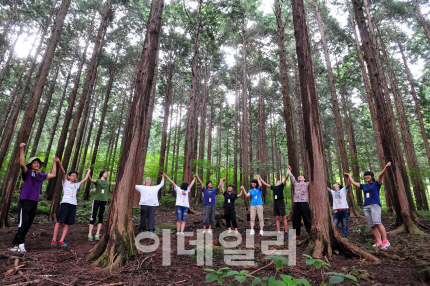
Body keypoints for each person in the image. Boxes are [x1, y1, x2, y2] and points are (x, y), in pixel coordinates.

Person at [9, 143, 58, 253]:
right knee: (23, 223)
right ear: (30, 164)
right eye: (34, 163)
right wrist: (21, 149)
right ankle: (21, 245)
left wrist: (54, 163)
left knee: (28, 224)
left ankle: (14, 245)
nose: (36, 164)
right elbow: (22, 164)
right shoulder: (28, 173)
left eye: (38, 163)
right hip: (24, 201)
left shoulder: (41, 176)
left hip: (34, 201)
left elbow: (53, 175)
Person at [345, 162, 391, 249]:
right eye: (365, 176)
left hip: (375, 205)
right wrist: (348, 175)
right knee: (372, 225)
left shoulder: (376, 184)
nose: (366, 176)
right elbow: (354, 183)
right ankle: (379, 241)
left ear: (372, 176)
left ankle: (385, 241)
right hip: (366, 207)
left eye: (368, 175)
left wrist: (386, 167)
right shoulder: (364, 186)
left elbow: (381, 175)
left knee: (377, 223)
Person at [51, 167, 91, 247]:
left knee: (67, 223)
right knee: (59, 221)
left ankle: (61, 240)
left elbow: (85, 180)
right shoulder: (65, 182)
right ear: (69, 176)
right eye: (72, 175)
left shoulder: (76, 185)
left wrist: (88, 171)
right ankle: (54, 240)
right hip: (65, 204)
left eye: (75, 176)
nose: (74, 177)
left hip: (73, 205)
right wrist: (58, 163)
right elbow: (63, 172)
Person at [88, 170, 116, 241]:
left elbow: (116, 183)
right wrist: (88, 173)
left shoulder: (108, 182)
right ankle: (90, 234)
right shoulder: (97, 181)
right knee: (93, 216)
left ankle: (97, 233)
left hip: (104, 201)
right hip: (97, 200)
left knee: (101, 216)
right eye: (105, 173)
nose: (106, 174)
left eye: (107, 173)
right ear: (102, 174)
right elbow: (90, 179)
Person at [287, 165, 311, 238]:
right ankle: (297, 234)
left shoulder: (307, 184)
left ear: (304, 179)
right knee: (296, 218)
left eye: (301, 176)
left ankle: (310, 232)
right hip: (296, 203)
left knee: (307, 218)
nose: (300, 176)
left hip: (304, 203)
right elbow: (291, 176)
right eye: (299, 176)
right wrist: (289, 169)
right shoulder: (295, 184)